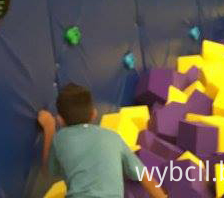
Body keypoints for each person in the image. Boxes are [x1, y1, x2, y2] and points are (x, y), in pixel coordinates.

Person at [37, 84, 166, 198]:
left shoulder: (60, 139)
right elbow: (145, 178)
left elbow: (49, 171)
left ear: (60, 120)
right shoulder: (112, 137)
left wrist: (49, 128)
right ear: (94, 114)